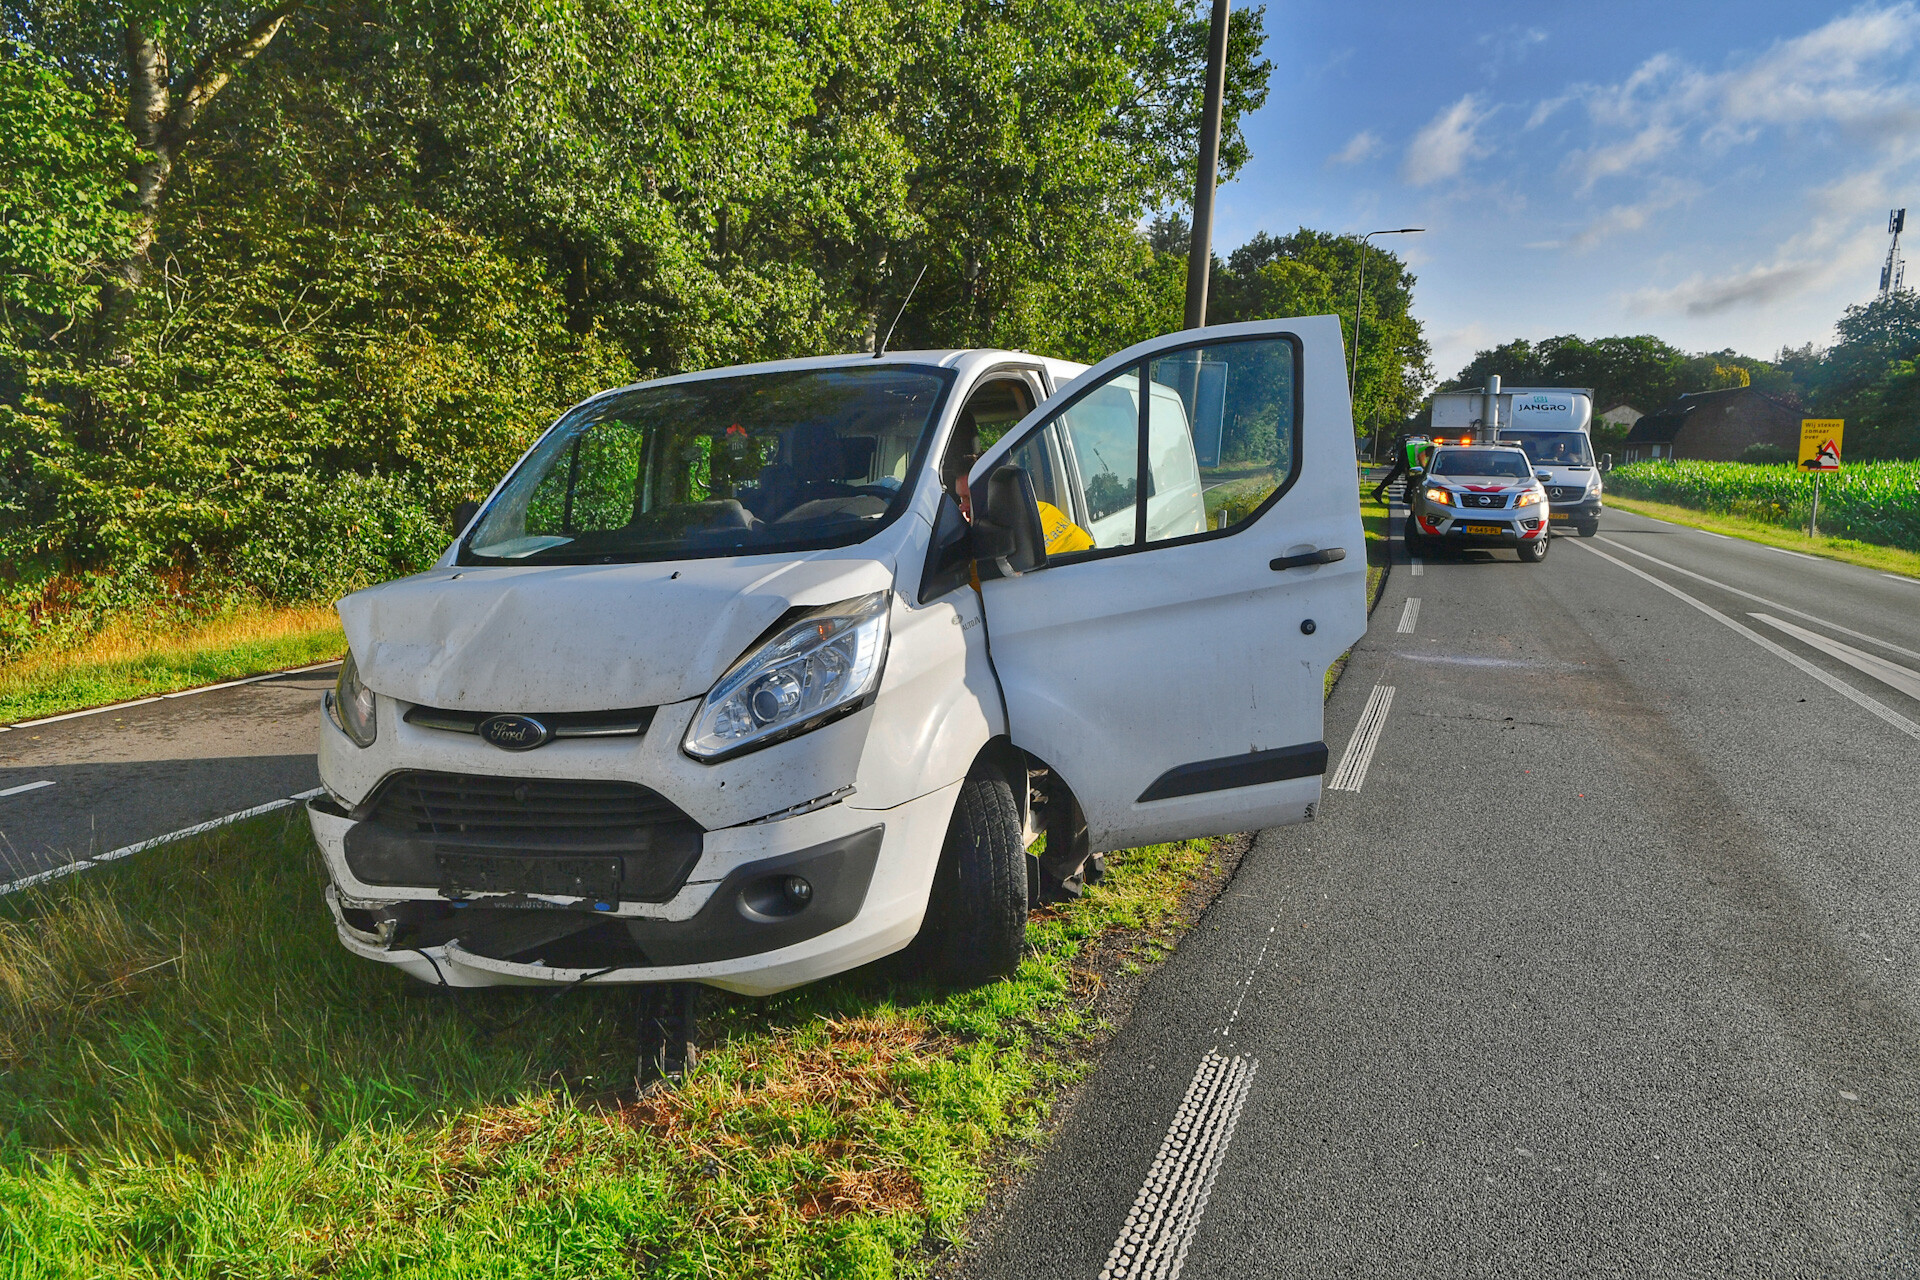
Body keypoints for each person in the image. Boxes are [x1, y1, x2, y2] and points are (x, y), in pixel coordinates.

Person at [1372, 434, 1434, 504]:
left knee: (1412, 476)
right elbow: (1421, 456)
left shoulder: (1434, 447)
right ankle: (1378, 491)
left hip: (1408, 453)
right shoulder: (1433, 448)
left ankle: (1406, 497)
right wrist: (1426, 469)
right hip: (1407, 453)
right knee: (1396, 473)